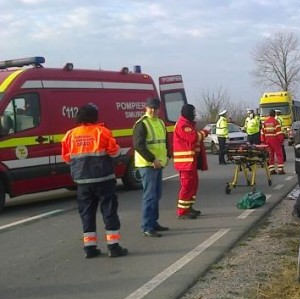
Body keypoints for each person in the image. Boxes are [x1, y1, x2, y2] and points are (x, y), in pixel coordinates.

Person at [61, 103, 128, 258]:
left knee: (87, 214)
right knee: (109, 212)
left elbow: (67, 159)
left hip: (83, 182)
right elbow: (114, 152)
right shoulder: (102, 132)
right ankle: (113, 247)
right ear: (94, 116)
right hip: (104, 179)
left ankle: (90, 248)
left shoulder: (70, 135)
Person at [132, 98, 170, 238]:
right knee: (150, 196)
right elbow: (138, 145)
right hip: (147, 164)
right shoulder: (141, 124)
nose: (153, 110)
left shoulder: (160, 122)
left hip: (159, 163)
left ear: (159, 109)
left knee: (157, 195)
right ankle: (147, 226)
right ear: (146, 108)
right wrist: (152, 159)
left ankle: (153, 223)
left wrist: (168, 156)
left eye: (155, 108)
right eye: (150, 108)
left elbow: (165, 141)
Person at [173, 103, 208, 219]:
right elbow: (192, 138)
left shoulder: (188, 124)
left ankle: (188, 207)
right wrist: (204, 133)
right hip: (185, 162)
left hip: (190, 161)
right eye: (193, 112)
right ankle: (182, 211)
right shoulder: (183, 124)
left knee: (193, 185)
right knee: (187, 186)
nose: (194, 115)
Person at [262, 109, 285, 175]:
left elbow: (262, 132)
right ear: (274, 114)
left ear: (269, 114)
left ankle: (271, 170)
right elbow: (279, 133)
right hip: (275, 140)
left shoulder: (265, 122)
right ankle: (280, 170)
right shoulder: (276, 122)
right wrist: (281, 140)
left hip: (267, 140)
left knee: (270, 155)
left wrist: (263, 140)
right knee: (279, 154)